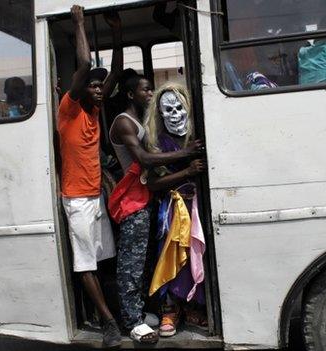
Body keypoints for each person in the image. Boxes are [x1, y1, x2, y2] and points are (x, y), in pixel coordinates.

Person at [108, 75, 203, 343]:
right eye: (145, 90)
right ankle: (133, 322)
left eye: (152, 89)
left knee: (150, 261)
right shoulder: (126, 122)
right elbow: (145, 159)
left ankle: (143, 311)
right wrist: (187, 159)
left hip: (146, 201)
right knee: (132, 265)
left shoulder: (141, 122)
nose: (150, 93)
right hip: (133, 200)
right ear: (130, 94)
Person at [57, 5, 123, 348]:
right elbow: (84, 67)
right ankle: (108, 323)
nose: (99, 89)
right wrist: (80, 23)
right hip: (77, 199)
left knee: (104, 259)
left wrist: (116, 34)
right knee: (85, 263)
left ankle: (110, 314)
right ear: (81, 89)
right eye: (93, 86)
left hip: (95, 195)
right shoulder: (68, 110)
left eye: (101, 87)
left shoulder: (95, 109)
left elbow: (114, 72)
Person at [144, 83, 207, 338]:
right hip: (173, 211)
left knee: (197, 257)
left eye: (179, 108)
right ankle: (170, 310)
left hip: (198, 209)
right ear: (159, 114)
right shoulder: (158, 143)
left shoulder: (197, 135)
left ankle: (192, 306)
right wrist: (187, 171)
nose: (175, 114)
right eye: (168, 110)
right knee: (173, 259)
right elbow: (154, 183)